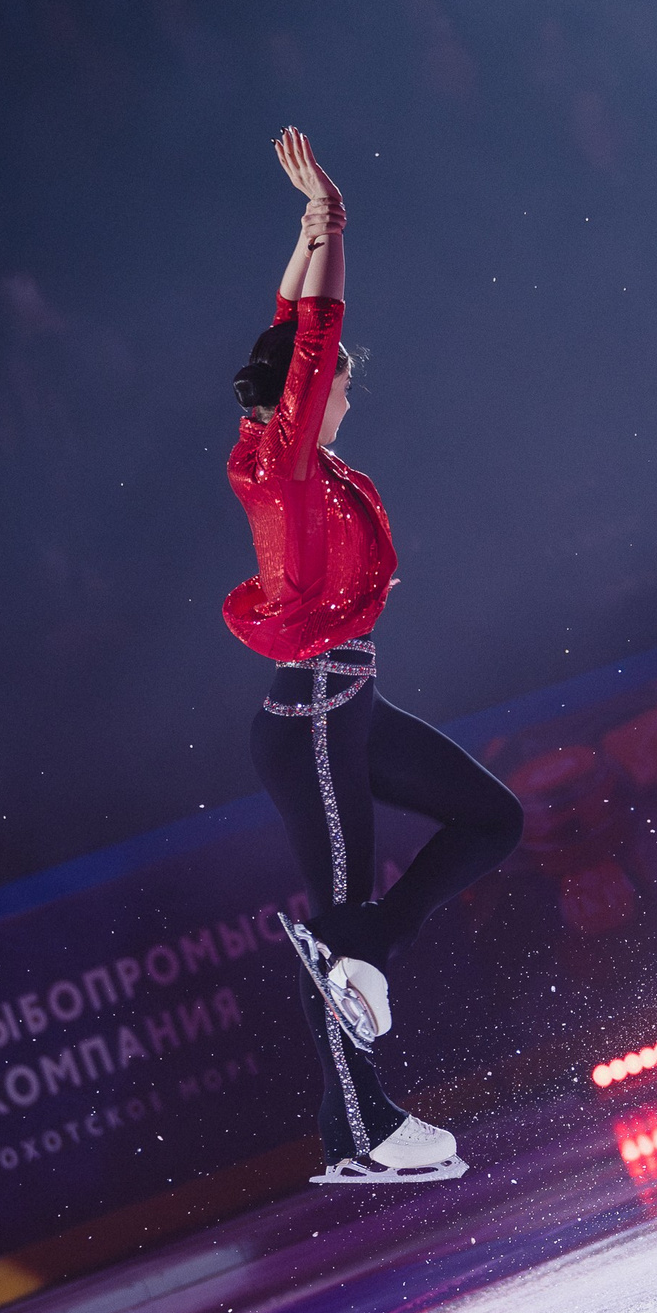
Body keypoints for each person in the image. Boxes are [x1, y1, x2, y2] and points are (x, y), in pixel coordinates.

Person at [226, 128, 523, 1186]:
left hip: (348, 704)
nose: (345, 385)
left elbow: (287, 331)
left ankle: (369, 959)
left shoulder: (301, 457)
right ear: (299, 401)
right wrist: (336, 230)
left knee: (491, 818)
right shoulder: (288, 468)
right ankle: (363, 1128)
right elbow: (306, 344)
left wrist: (309, 231)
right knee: (337, 924)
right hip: (309, 716)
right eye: (333, 380)